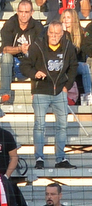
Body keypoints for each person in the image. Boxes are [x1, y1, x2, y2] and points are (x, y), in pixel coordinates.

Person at [23, 17, 80, 170]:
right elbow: (24, 66)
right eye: (51, 33)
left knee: (62, 126)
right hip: (41, 91)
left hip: (60, 92)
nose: (54, 36)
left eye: (57, 33)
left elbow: (73, 66)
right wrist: (35, 73)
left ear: (62, 34)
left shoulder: (68, 46)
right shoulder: (37, 46)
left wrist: (67, 85)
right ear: (47, 33)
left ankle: (60, 159)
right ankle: (39, 158)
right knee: (39, 125)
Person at [0, 0, 44, 104]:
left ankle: (36, 92)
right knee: (6, 57)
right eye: (21, 12)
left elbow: (41, 49)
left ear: (32, 13)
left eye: (26, 12)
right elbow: (5, 49)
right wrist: (20, 49)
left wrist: (30, 50)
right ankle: (5, 94)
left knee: (39, 57)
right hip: (13, 63)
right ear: (17, 12)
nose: (23, 15)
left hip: (29, 63)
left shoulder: (38, 26)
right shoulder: (10, 24)